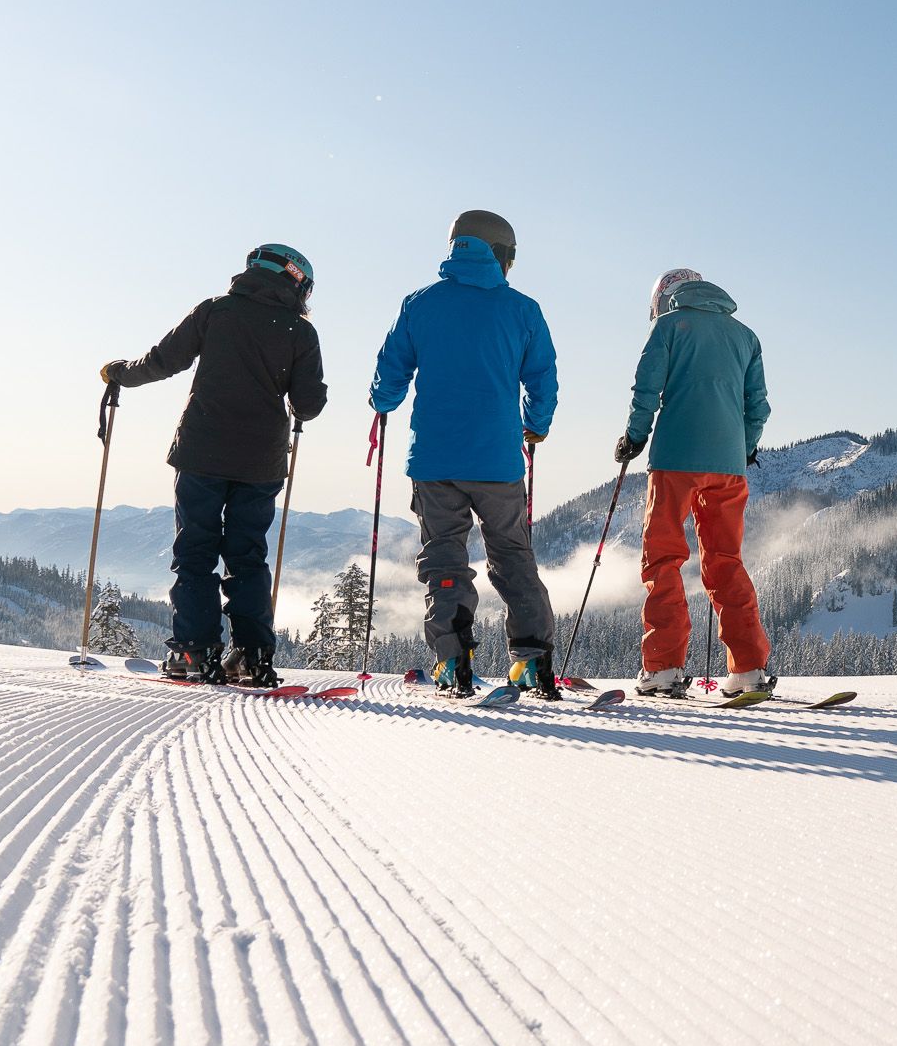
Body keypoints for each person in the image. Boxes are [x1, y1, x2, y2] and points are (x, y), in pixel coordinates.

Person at [103, 243, 328, 685]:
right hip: (261, 461)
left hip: (202, 452)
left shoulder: (215, 311)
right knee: (248, 556)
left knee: (196, 552)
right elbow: (308, 405)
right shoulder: (300, 333)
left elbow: (163, 361)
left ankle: (193, 653)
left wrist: (119, 373)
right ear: (297, 282)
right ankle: (253, 656)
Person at [371, 209, 560, 699]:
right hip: (497, 461)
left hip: (434, 461)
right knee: (513, 557)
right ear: (502, 255)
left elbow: (391, 369)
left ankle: (453, 662)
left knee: (444, 562)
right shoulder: (522, 310)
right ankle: (533, 662)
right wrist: (535, 427)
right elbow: (542, 378)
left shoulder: (420, 304)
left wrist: (382, 402)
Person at [618, 268, 772, 696]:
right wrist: (743, 449)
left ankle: (663, 668)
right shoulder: (746, 336)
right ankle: (748, 669)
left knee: (662, 558)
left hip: (675, 459)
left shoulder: (668, 327)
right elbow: (757, 406)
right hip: (728, 466)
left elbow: (645, 390)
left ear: (664, 297)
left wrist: (633, 437)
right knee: (725, 560)